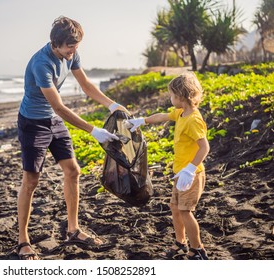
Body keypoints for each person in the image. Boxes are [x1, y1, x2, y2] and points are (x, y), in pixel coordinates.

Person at [16, 16, 128, 260]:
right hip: (33, 123)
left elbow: (85, 84)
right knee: (31, 181)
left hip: (53, 121)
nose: (74, 51)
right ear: (55, 43)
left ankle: (73, 230)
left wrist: (112, 105)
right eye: (70, 47)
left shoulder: (71, 53)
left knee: (73, 171)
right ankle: (23, 241)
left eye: (76, 46)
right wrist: (94, 131)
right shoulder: (41, 64)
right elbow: (59, 107)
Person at [125, 72, 210, 260]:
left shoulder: (193, 120)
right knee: (174, 207)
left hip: (191, 174)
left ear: (180, 96)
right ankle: (181, 243)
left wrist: (190, 170)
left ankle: (198, 250)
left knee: (186, 212)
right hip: (180, 173)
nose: (170, 98)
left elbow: (205, 147)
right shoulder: (181, 113)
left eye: (171, 95)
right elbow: (162, 116)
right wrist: (142, 121)